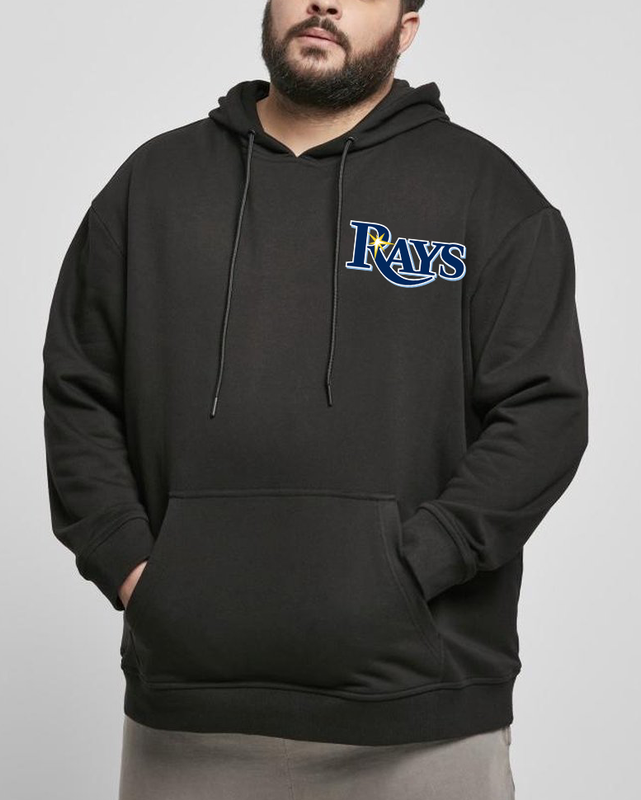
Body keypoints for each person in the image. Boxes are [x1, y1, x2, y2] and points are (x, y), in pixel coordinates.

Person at [42, 0, 589, 798]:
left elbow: (543, 413)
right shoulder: (151, 186)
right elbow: (79, 387)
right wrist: (134, 565)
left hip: (421, 718)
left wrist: (413, 567)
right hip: (191, 710)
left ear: (405, 28)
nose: (323, 1)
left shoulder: (487, 194)